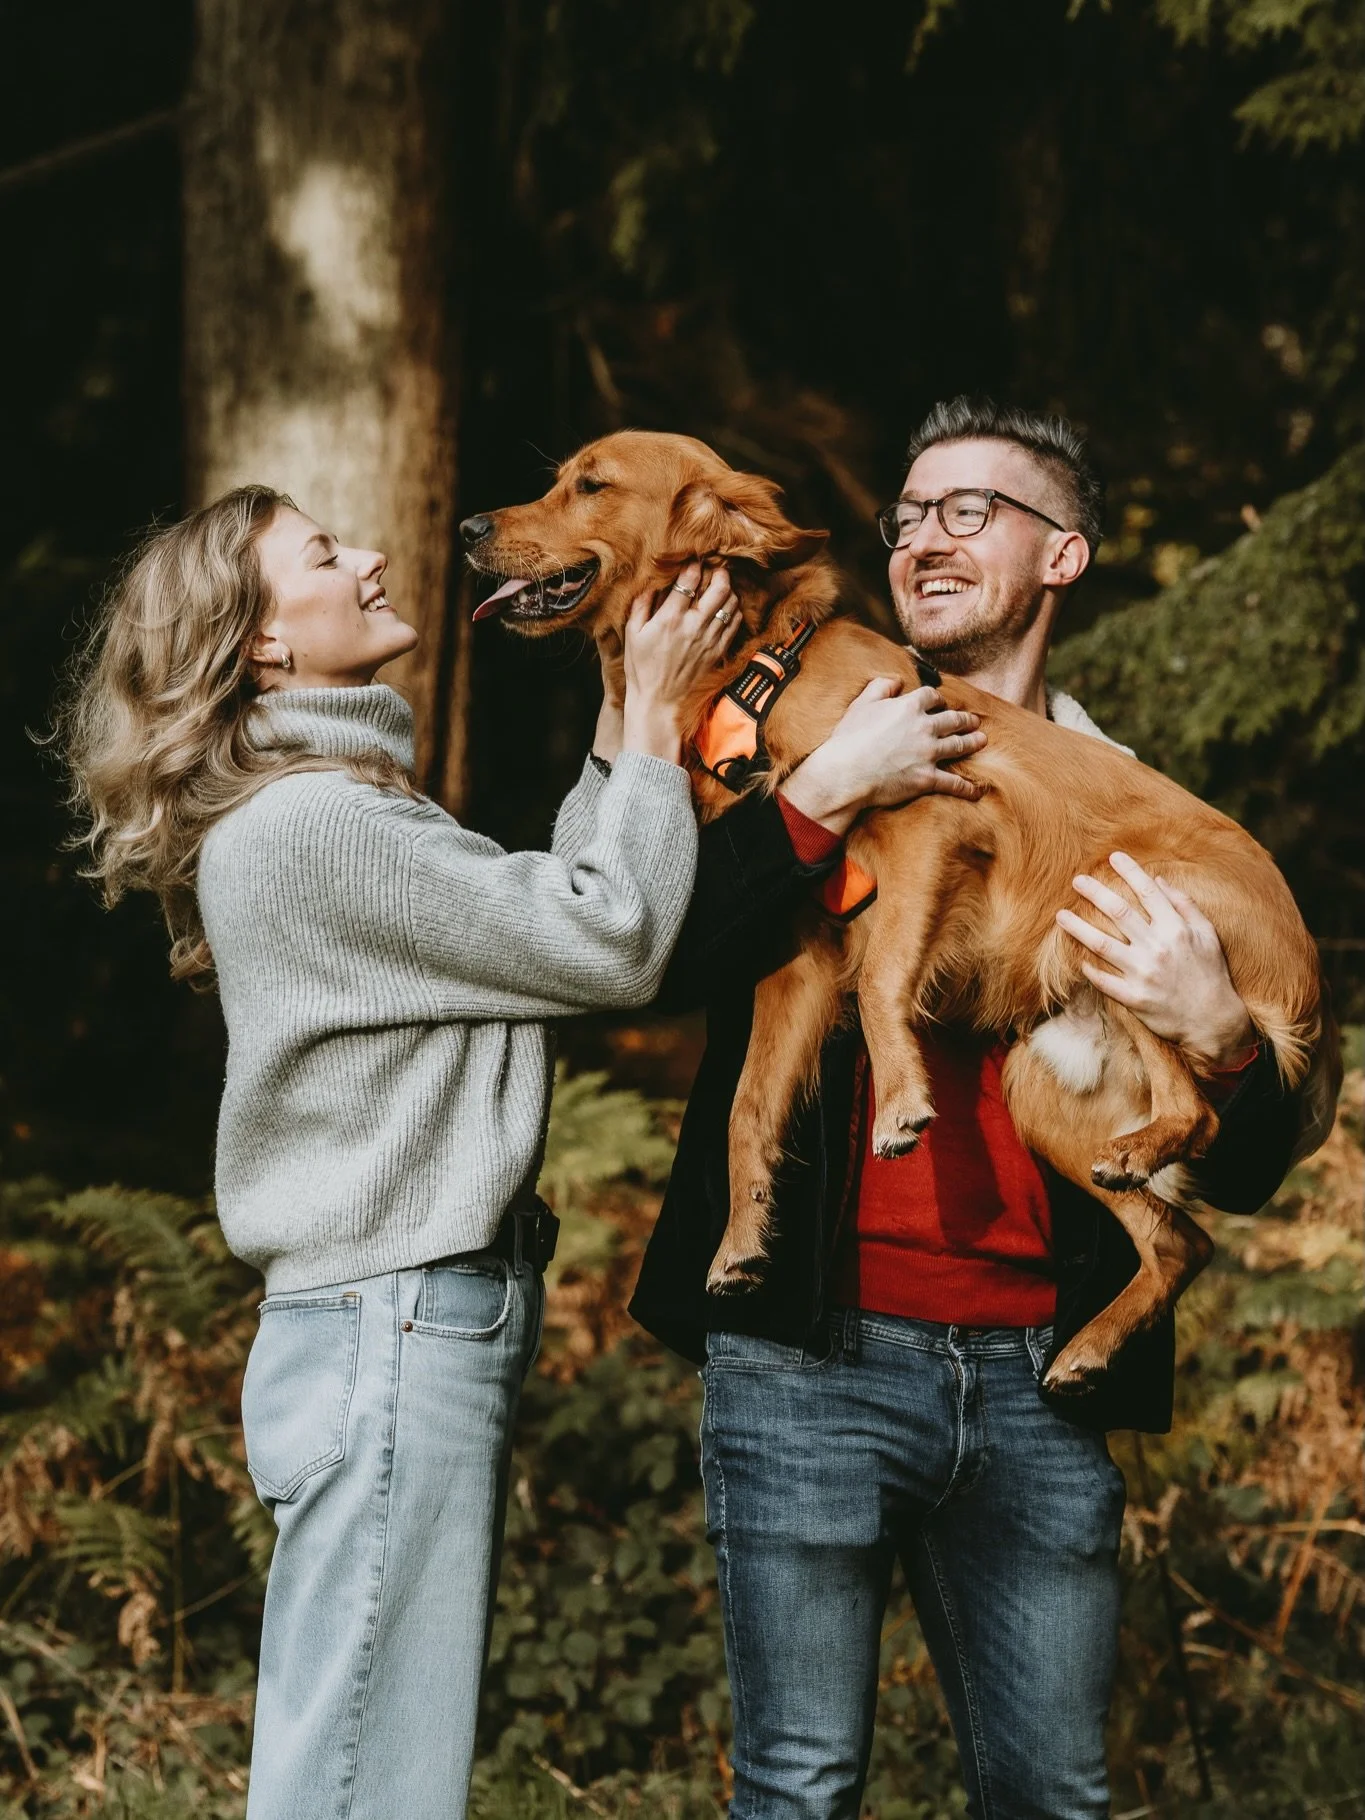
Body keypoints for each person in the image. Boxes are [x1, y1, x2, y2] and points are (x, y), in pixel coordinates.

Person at [62, 485, 981, 1819]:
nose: (373, 556)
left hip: (395, 1320)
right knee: (372, 1772)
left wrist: (623, 700)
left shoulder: (335, 805)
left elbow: (561, 903)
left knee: (368, 1748)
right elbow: (606, 941)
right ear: (262, 643)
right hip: (394, 1323)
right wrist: (716, 740)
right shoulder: (317, 827)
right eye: (326, 555)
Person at [630, 399, 1306, 1820]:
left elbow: (1250, 1166)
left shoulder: (1127, 802)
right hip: (811, 1355)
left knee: (1054, 1799)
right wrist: (820, 795)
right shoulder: (785, 733)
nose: (924, 536)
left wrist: (1217, 1039)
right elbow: (654, 954)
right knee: (798, 1790)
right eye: (909, 515)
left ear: (1063, 558)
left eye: (970, 511)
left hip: (1038, 1380)